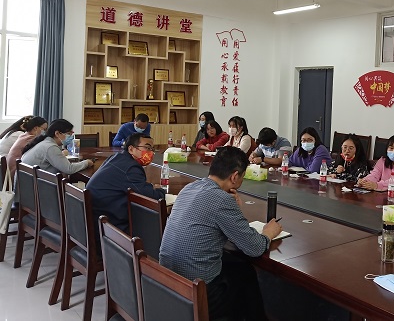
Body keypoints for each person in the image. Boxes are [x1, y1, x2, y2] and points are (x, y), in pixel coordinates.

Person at [159, 146, 282, 321]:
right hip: (198, 289)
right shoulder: (222, 200)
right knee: (246, 276)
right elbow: (254, 248)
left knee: (240, 268)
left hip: (167, 279)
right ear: (234, 176)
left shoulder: (190, 188)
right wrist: (268, 233)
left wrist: (234, 212)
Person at [86, 133, 166, 233]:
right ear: (131, 149)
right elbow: (154, 198)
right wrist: (160, 190)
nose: (151, 153)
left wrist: (149, 187)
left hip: (96, 219)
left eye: (152, 149)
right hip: (109, 227)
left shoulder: (116, 157)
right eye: (147, 148)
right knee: (156, 225)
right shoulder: (131, 168)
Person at [21, 119, 93, 175]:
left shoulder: (45, 142)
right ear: (57, 133)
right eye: (69, 134)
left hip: (30, 185)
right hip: (38, 187)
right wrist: (87, 162)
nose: (71, 137)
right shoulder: (50, 147)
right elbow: (69, 169)